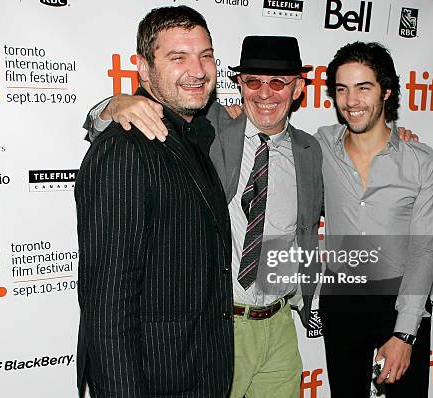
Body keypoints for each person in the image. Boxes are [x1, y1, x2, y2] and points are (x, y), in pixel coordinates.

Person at [87, 35, 324, 398]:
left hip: (280, 325)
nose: (265, 94)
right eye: (253, 82)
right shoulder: (207, 128)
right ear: (239, 85)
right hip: (220, 325)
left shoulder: (312, 150)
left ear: (298, 89)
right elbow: (133, 115)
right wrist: (116, 104)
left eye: (278, 82)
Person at [75, 6, 234, 397]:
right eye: (178, 58)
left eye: (206, 55)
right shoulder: (126, 149)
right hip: (155, 383)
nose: (197, 70)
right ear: (143, 69)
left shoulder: (194, 134)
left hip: (203, 374)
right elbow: (108, 306)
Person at [316, 41, 433, 397]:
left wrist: (404, 332)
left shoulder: (421, 162)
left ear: (386, 91)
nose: (351, 101)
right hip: (341, 297)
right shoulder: (318, 146)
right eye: (342, 89)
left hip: (400, 297)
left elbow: (424, 252)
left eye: (363, 88)